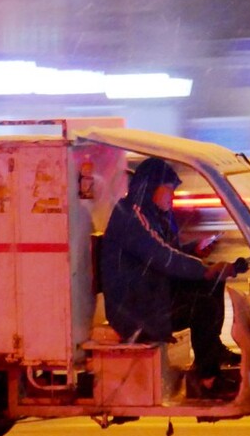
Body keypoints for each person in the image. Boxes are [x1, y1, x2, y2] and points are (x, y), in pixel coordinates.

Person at [100, 157, 242, 394]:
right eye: (168, 190)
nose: (172, 197)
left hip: (153, 294)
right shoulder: (132, 215)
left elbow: (169, 252)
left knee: (212, 283)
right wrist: (203, 268)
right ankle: (206, 379)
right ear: (151, 187)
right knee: (203, 304)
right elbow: (161, 256)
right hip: (135, 309)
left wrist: (195, 250)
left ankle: (211, 351)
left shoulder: (154, 214)